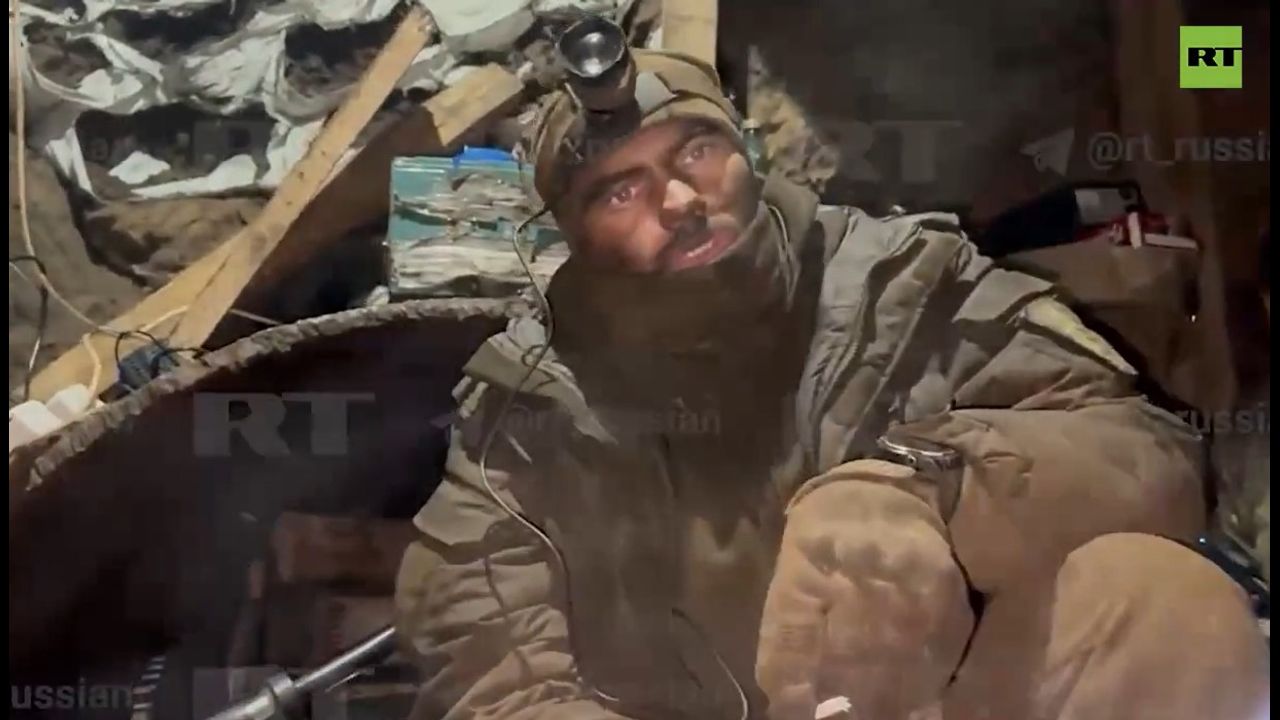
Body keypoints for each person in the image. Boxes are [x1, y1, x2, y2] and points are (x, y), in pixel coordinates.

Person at [394, 40, 1269, 720]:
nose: (680, 201)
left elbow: (1150, 459)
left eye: (697, 152)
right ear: (574, 240)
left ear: (746, 151)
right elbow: (490, 665)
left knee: (1157, 600)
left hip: (948, 699)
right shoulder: (528, 403)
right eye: (621, 193)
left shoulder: (898, 283)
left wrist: (921, 486)